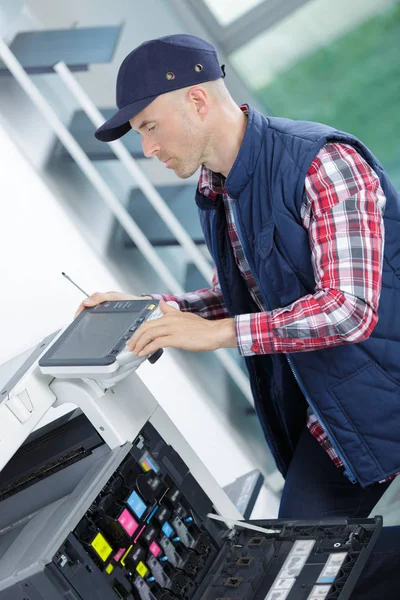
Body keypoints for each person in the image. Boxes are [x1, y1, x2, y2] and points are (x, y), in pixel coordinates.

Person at [76, 34, 400, 520]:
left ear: (198, 100)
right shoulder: (219, 190)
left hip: (385, 386)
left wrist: (217, 334)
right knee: (296, 568)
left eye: (150, 127)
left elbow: (347, 310)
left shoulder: (322, 163)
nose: (148, 148)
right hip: (338, 416)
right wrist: (157, 310)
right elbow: (249, 296)